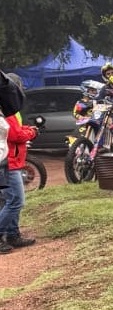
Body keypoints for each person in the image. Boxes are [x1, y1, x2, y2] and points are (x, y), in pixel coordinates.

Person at [0, 73, 38, 253]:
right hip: (8, 161)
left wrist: (28, 130)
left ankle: (13, 234)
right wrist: (32, 133)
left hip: (11, 160)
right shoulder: (6, 109)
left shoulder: (8, 110)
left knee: (12, 200)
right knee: (16, 200)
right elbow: (14, 134)